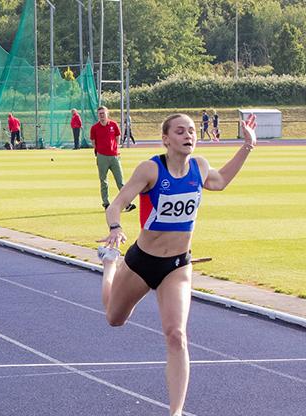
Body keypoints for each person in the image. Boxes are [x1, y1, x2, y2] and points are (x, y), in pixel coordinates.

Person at [96, 113, 257, 416]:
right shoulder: (150, 170)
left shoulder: (200, 167)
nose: (189, 135)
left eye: (192, 131)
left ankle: (176, 412)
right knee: (114, 318)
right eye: (180, 131)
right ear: (166, 139)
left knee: (176, 334)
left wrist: (247, 147)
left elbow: (220, 182)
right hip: (141, 262)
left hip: (177, 266)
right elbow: (117, 203)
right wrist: (116, 228)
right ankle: (109, 267)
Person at [91, 106, 135, 212]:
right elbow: (93, 141)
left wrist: (116, 146)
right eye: (100, 113)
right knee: (104, 181)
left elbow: (117, 135)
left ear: (107, 114)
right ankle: (106, 203)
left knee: (120, 181)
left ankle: (127, 204)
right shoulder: (95, 127)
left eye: (103, 113)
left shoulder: (113, 125)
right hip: (102, 156)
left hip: (114, 155)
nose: (101, 115)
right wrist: (98, 151)